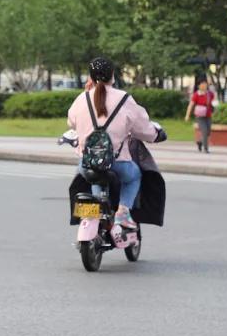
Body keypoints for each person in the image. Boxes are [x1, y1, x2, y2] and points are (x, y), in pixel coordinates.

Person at [67, 57, 160, 230]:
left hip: (87, 164)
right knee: (134, 176)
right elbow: (143, 129)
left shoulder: (82, 98)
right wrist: (156, 134)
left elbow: (71, 122)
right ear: (113, 76)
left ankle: (95, 214)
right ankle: (123, 213)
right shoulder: (124, 99)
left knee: (95, 176)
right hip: (118, 163)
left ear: (90, 77)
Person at [184, 77, 215, 153]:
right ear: (199, 86)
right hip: (200, 116)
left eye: (205, 84)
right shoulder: (196, 94)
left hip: (208, 115)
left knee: (208, 132)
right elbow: (191, 105)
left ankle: (200, 142)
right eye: (202, 84)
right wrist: (187, 115)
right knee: (204, 131)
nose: (204, 86)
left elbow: (214, 102)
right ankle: (206, 148)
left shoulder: (210, 94)